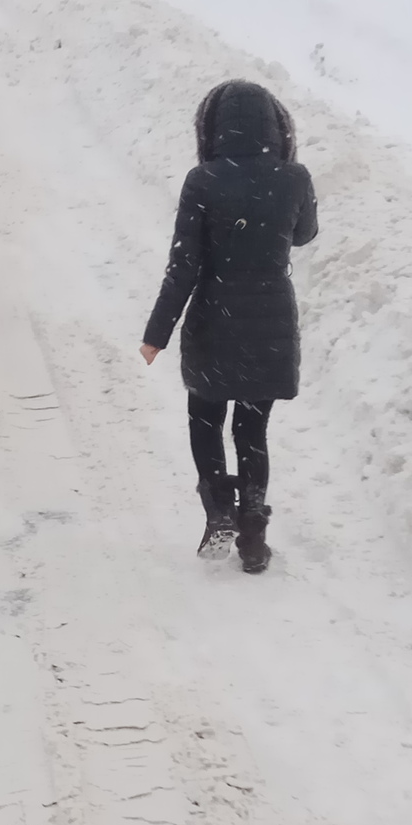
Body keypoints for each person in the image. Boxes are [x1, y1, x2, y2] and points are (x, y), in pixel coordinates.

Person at [141, 78, 317, 572]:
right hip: (271, 322)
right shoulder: (294, 177)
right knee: (253, 430)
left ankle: (219, 512)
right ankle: (255, 532)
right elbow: (305, 235)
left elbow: (184, 266)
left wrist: (157, 333)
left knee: (205, 419)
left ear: (213, 128)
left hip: (213, 321)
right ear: (277, 126)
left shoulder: (204, 180)